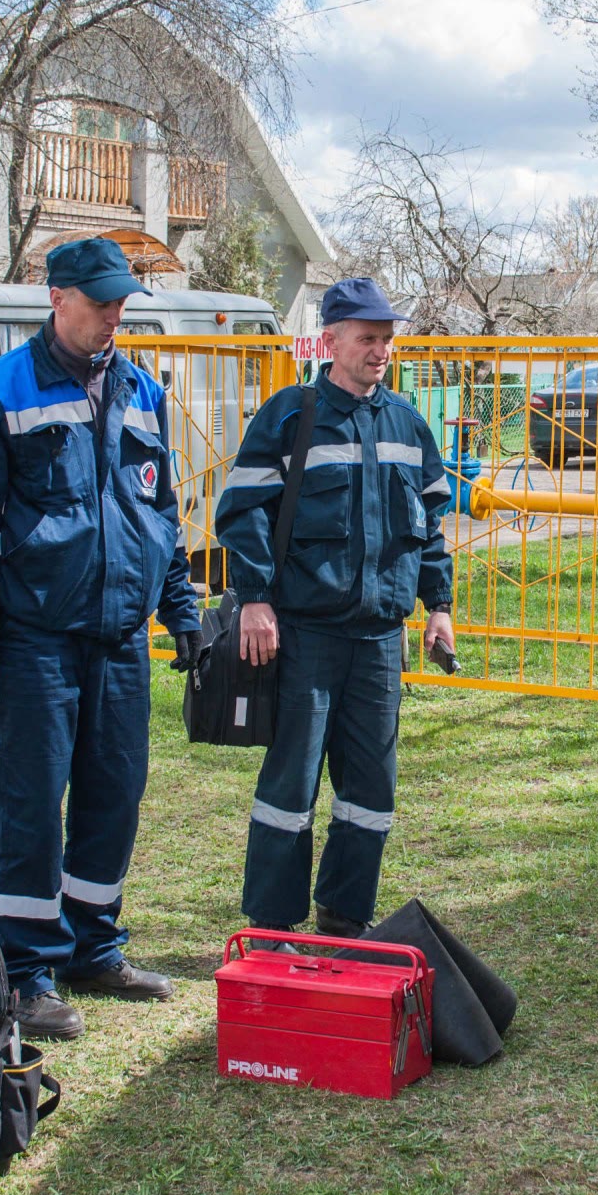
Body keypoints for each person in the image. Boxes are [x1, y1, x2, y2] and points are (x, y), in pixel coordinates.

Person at [0, 237, 200, 1040]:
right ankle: (26, 971)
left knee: (113, 797)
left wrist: (180, 607)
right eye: (99, 301)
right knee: (29, 808)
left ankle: (94, 946)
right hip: (35, 643)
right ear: (56, 297)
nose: (114, 314)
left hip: (119, 638)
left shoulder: (142, 389)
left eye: (122, 301)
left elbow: (159, 512)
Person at [214, 277, 455, 941]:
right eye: (367, 338)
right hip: (306, 632)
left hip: (380, 639)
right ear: (331, 340)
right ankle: (274, 921)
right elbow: (240, 513)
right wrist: (256, 598)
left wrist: (440, 605)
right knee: (291, 783)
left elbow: (429, 526)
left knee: (372, 788)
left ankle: (345, 917)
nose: (380, 351)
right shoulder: (291, 415)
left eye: (386, 339)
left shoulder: (407, 422)